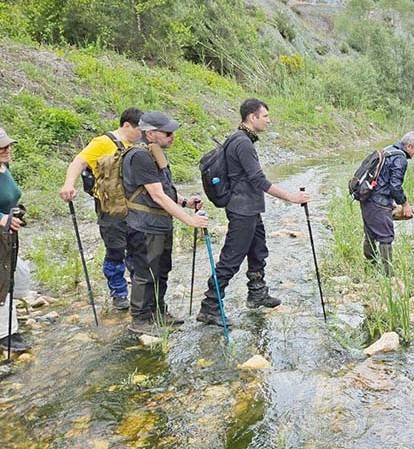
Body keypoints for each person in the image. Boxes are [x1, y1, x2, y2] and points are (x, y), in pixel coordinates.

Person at [195, 99, 310, 326]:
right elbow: (258, 180)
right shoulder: (242, 143)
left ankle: (257, 293)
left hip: (249, 208)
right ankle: (210, 307)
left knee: (258, 251)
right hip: (242, 210)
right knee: (231, 259)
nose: (268, 120)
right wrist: (291, 198)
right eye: (265, 116)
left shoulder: (241, 139)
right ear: (252, 117)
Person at [122, 112, 208, 335]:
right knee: (145, 272)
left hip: (159, 224)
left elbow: (164, 192)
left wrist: (186, 202)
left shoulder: (154, 152)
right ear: (150, 134)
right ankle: (140, 320)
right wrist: (190, 220)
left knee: (161, 270)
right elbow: (157, 196)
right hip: (144, 226)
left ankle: (158, 312)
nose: (173, 137)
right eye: (168, 133)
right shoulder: (140, 156)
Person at [59, 107, 144, 310]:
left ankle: (139, 293)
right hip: (110, 209)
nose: (141, 134)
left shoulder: (136, 145)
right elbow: (79, 162)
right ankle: (118, 293)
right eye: (139, 129)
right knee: (115, 251)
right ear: (126, 125)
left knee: (136, 250)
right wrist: (68, 184)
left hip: (134, 208)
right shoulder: (103, 142)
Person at [360, 132, 414, 275]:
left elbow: (383, 179)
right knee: (385, 237)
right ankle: (389, 275)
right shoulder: (400, 159)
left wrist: (391, 201)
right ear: (409, 146)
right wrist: (405, 204)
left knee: (370, 232)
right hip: (378, 202)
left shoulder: (388, 150)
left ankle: (370, 267)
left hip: (366, 197)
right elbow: (395, 186)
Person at [0, 127, 29, 353]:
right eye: (2, 148)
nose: (7, 150)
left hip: (8, 234)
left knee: (17, 274)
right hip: (2, 230)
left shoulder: (4, 167)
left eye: (8, 145)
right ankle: (6, 333)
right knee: (2, 279)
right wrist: (1, 219)